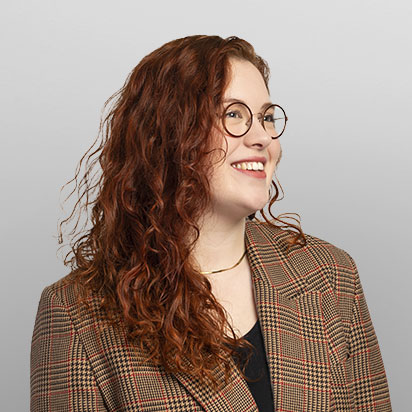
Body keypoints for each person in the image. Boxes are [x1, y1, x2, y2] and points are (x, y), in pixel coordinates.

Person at [30, 35, 392, 412]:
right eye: (234, 114)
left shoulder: (329, 275)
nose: (262, 137)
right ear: (169, 133)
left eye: (267, 117)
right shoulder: (76, 313)